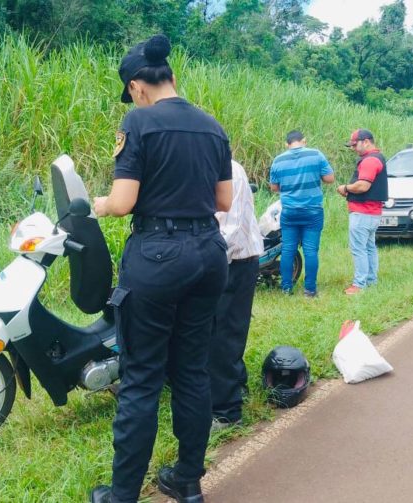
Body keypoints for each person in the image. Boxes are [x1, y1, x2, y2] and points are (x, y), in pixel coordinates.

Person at [90, 34, 232, 503]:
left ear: (137, 86)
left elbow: (124, 201)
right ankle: (187, 483)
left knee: (143, 376)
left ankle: (123, 495)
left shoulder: (139, 121)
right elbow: (224, 201)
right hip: (209, 254)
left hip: (157, 256)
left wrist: (99, 204)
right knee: (192, 371)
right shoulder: (213, 126)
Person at [209, 160, 263, 431]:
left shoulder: (227, 169)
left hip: (233, 261)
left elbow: (228, 230)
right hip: (219, 261)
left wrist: (207, 268)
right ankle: (236, 385)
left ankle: (226, 412)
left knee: (224, 334)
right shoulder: (202, 166)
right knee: (220, 331)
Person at [269, 130, 335, 296]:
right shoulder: (316, 154)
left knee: (288, 250)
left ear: (287, 144)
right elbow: (329, 178)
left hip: (289, 212)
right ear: (304, 141)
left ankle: (286, 288)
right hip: (313, 211)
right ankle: (310, 290)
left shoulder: (278, 160)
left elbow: (274, 187)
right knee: (311, 250)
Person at [336, 129, 388, 295]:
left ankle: (359, 284)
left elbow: (363, 185)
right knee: (369, 247)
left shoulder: (369, 161)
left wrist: (345, 188)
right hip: (373, 213)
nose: (353, 148)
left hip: (363, 212)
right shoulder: (378, 157)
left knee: (359, 249)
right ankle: (371, 280)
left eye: (354, 145)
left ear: (366, 141)